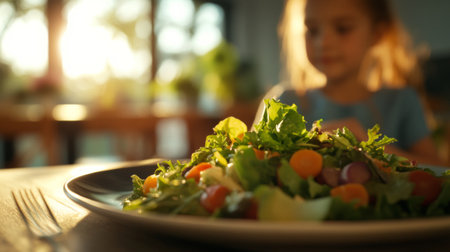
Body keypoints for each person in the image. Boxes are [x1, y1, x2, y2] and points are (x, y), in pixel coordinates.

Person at [254, 0, 447, 166]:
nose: (324, 42)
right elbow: (252, 164)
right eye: (312, 30)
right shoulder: (282, 103)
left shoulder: (402, 101)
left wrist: (370, 147)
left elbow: (440, 170)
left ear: (376, 34)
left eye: (343, 28)